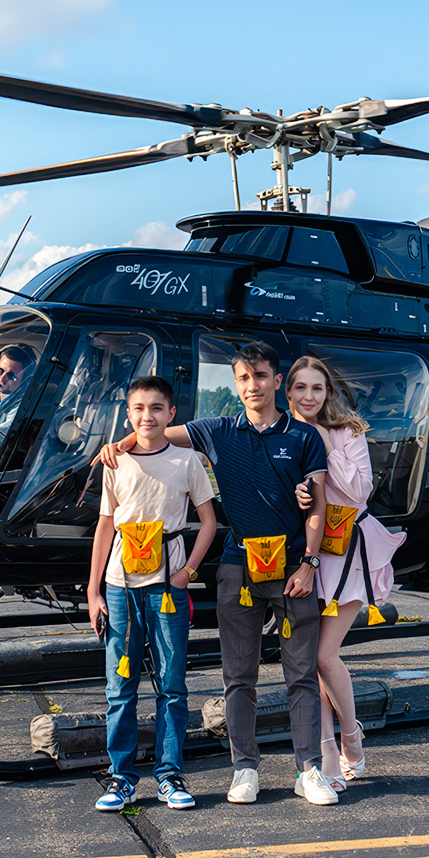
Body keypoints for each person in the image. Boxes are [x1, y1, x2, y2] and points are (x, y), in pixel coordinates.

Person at [97, 341, 337, 805]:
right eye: (244, 379)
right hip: (237, 566)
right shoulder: (216, 430)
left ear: (276, 381)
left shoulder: (305, 437)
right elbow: (156, 430)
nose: (253, 386)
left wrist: (309, 563)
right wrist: (119, 444)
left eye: (261, 377)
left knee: (302, 673)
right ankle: (244, 767)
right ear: (236, 384)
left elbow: (318, 504)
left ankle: (308, 769)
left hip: (291, 567)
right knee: (238, 674)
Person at [86, 375, 218, 812]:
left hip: (167, 587)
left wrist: (188, 572)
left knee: (172, 684)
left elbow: (209, 521)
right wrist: (94, 590)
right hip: (121, 588)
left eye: (157, 408)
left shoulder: (187, 462)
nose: (148, 417)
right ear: (129, 415)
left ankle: (169, 774)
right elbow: (105, 527)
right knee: (120, 686)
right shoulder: (115, 463)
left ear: (171, 414)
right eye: (139, 409)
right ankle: (121, 778)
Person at [287, 355, 406, 791]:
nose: (308, 396)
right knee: (307, 662)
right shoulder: (285, 435)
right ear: (289, 392)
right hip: (307, 555)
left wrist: (322, 441)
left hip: (349, 552)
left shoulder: (345, 433)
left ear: (327, 393)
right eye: (300, 388)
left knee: (323, 655)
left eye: (316, 388)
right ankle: (328, 760)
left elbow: (358, 489)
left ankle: (352, 736)